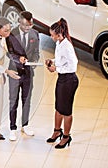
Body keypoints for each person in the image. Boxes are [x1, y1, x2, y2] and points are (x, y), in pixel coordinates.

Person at [5, 11, 40, 141]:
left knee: (27, 100)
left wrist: (35, 61)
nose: (27, 28)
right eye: (25, 25)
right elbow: (8, 53)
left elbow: (36, 51)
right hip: (14, 72)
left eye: (29, 25)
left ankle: (25, 124)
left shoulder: (35, 34)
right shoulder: (11, 34)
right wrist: (18, 58)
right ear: (20, 21)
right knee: (13, 100)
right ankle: (12, 128)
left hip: (28, 73)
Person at [45, 18, 79, 149]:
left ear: (59, 34)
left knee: (66, 110)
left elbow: (73, 65)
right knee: (58, 107)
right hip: (62, 79)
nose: (51, 36)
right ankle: (56, 131)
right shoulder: (59, 43)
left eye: (52, 35)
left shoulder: (67, 46)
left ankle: (66, 136)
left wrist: (56, 69)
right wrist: (52, 61)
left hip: (69, 80)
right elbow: (61, 59)